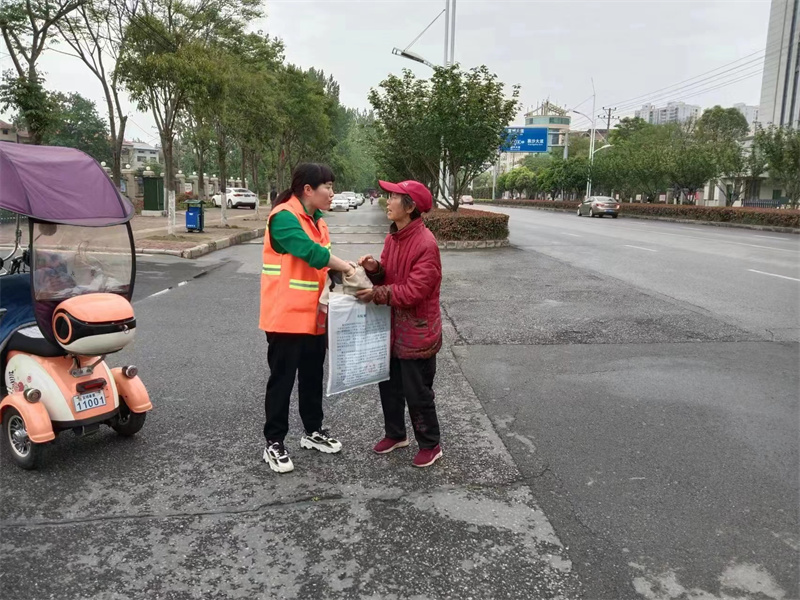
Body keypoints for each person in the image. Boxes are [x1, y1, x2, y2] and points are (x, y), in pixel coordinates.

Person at [260, 163, 356, 474]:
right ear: (308, 190)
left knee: (312, 377)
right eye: (327, 186)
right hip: (286, 318)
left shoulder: (318, 221)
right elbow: (311, 253)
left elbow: (323, 265)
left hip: (315, 316)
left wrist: (346, 274)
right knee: (282, 381)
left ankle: (312, 431)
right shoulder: (284, 217)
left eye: (332, 186)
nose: (332, 193)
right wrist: (346, 266)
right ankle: (274, 442)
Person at [356, 180, 443, 468]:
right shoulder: (392, 238)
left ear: (410, 207)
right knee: (389, 385)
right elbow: (389, 276)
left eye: (394, 196)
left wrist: (377, 293)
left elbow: (415, 291)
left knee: (418, 393)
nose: (388, 201)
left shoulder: (426, 244)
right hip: (392, 328)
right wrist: (375, 269)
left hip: (417, 331)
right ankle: (395, 434)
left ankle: (430, 444)